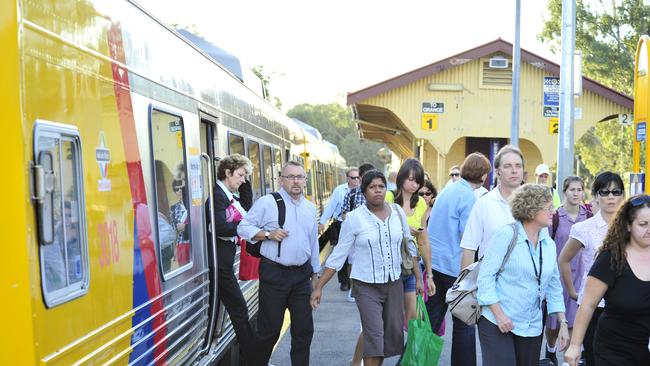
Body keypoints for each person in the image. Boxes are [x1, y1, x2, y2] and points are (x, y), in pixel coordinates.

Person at [311, 170, 420, 366]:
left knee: (389, 335)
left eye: (381, 186)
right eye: (372, 187)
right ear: (364, 192)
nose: (377, 191)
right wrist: (319, 286)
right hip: (366, 286)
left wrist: (420, 278)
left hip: (394, 283)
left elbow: (409, 246)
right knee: (374, 336)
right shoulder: (354, 218)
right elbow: (337, 256)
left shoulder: (397, 212)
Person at [238, 161, 321, 366]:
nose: (296, 181)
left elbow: (313, 245)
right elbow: (243, 227)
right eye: (290, 177)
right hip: (274, 274)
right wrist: (267, 234)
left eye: (300, 177)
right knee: (269, 331)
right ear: (281, 180)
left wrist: (316, 281)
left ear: (305, 180)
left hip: (302, 276)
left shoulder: (310, 208)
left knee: (303, 330)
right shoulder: (267, 202)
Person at [477, 184, 570, 365]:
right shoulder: (507, 235)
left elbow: (553, 285)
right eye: (548, 208)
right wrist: (500, 315)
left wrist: (563, 323)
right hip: (497, 321)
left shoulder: (548, 244)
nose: (554, 212)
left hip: (531, 325)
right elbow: (485, 278)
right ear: (531, 209)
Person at [564, 194, 650, 366]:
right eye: (643, 224)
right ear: (627, 226)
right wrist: (574, 345)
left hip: (643, 349)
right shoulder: (612, 257)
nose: (649, 229)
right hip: (612, 351)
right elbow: (587, 304)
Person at [426, 152, 492, 366]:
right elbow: (468, 236)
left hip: (435, 265)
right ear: (482, 175)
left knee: (431, 324)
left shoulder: (449, 190)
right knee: (464, 323)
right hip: (455, 267)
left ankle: (417, 361)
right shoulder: (468, 197)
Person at [557, 171, 625, 366]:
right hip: (593, 308)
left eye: (616, 191)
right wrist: (572, 292)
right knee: (596, 359)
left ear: (622, 195)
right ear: (595, 196)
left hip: (625, 307)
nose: (611, 196)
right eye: (604, 192)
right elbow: (564, 259)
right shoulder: (583, 228)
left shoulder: (632, 227)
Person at [209, 154, 257, 364]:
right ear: (227, 173)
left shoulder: (228, 194)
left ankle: (251, 357)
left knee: (237, 309)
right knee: (239, 309)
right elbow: (219, 226)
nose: (242, 180)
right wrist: (244, 229)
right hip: (220, 265)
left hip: (224, 263)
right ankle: (253, 359)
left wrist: (245, 182)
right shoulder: (218, 196)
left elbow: (246, 207)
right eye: (239, 175)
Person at [543, 176, 590, 364]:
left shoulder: (588, 216)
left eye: (579, 190)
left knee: (573, 320)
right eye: (572, 190)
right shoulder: (555, 216)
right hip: (558, 277)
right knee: (553, 323)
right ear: (564, 192)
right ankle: (550, 349)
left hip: (581, 275)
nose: (576, 193)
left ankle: (567, 360)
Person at [385, 159, 435, 327]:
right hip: (390, 264)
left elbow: (423, 240)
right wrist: (405, 229)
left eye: (418, 181)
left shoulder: (420, 202)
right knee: (390, 318)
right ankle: (368, 353)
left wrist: (429, 274)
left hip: (412, 263)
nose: (415, 185)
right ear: (401, 178)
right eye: (411, 179)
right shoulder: (388, 197)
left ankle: (408, 353)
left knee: (412, 317)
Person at [460, 144, 524, 269]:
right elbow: (469, 248)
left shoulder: (534, 205)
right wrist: (464, 286)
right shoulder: (484, 204)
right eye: (508, 166)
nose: (514, 170)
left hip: (526, 285)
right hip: (490, 284)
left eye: (518, 166)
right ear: (498, 172)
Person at [319, 167, 360, 291]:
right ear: (348, 178)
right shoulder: (340, 190)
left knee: (355, 255)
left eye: (358, 177)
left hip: (358, 227)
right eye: (353, 178)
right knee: (344, 253)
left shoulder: (362, 191)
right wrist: (322, 222)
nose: (356, 180)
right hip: (341, 225)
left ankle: (355, 281)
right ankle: (344, 281)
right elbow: (331, 207)